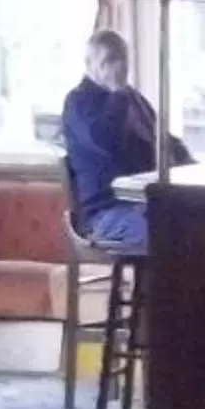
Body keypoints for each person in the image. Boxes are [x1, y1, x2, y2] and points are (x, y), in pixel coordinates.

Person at [60, 31, 183, 249]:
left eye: (123, 58)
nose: (119, 66)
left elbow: (162, 138)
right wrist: (118, 93)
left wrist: (190, 165)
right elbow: (105, 141)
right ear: (89, 64)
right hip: (105, 211)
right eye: (109, 60)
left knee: (198, 222)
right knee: (164, 232)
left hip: (144, 201)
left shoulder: (132, 98)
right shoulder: (78, 102)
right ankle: (152, 284)